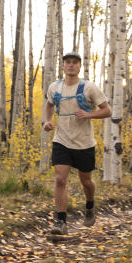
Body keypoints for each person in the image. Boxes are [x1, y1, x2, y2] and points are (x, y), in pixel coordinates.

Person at [41, 52, 111, 233]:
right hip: (61, 140)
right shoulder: (55, 87)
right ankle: (61, 222)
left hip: (84, 143)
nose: (70, 65)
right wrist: (47, 121)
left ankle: (89, 205)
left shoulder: (89, 88)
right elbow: (49, 104)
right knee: (59, 179)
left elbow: (107, 111)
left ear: (79, 66)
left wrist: (89, 114)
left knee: (86, 182)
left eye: (74, 63)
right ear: (63, 66)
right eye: (67, 63)